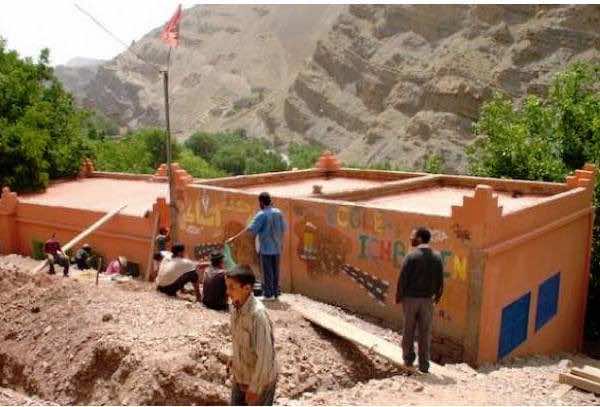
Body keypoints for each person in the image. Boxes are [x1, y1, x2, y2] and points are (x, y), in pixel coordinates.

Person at [225, 265, 278, 405]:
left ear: (247, 288)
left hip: (260, 381)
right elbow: (239, 339)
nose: (227, 292)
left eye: (232, 287)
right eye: (227, 287)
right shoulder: (235, 307)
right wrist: (234, 357)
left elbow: (266, 356)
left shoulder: (257, 315)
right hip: (241, 377)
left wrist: (255, 389)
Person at [395, 227, 444, 374]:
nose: (411, 239)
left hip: (410, 300)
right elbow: (440, 281)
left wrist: (399, 296)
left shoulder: (411, 256)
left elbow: (402, 278)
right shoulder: (437, 257)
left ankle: (409, 359)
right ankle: (424, 365)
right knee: (425, 332)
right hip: (428, 301)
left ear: (420, 239)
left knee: (409, 330)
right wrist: (437, 297)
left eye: (413, 236)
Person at [226, 192, 286, 301]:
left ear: (261, 202)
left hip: (266, 249)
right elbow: (283, 228)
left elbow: (250, 229)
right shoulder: (278, 212)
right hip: (277, 248)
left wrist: (234, 238)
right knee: (275, 271)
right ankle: (276, 293)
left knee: (267, 272)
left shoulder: (261, 214)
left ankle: (268, 295)